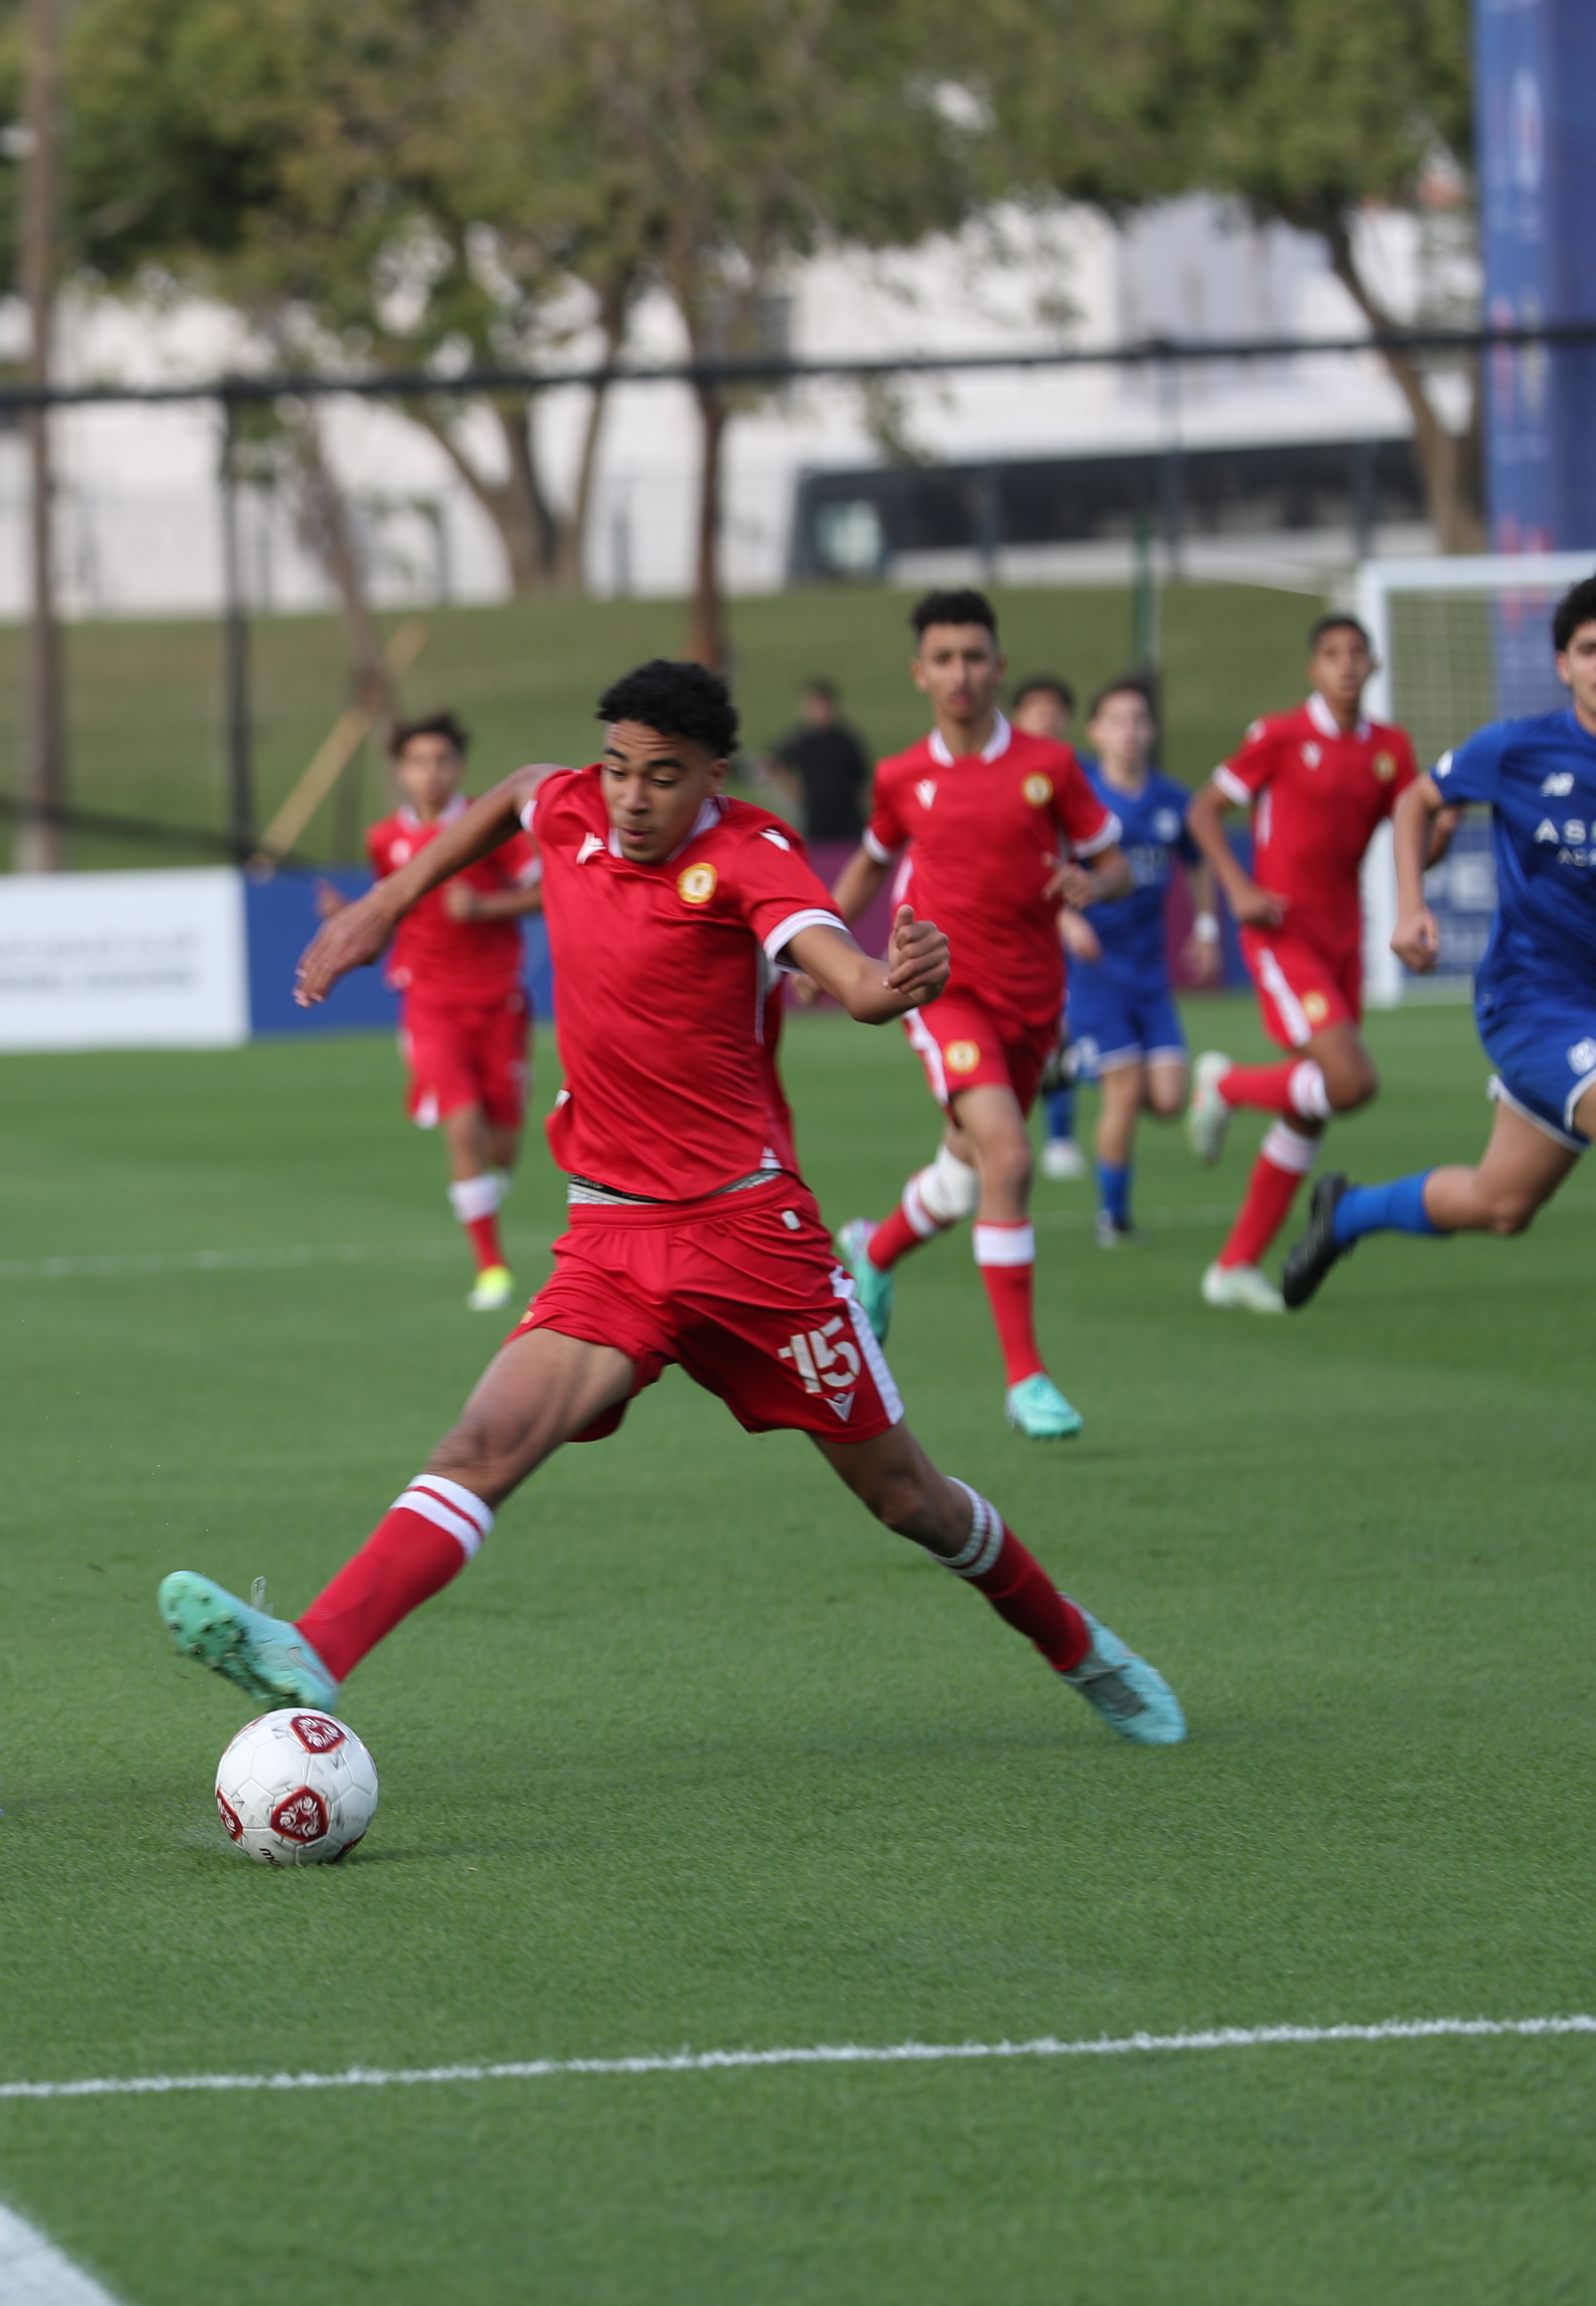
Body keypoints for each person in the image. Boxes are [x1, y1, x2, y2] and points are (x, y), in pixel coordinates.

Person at [154, 660, 1182, 1747]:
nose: (631, 798)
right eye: (618, 768)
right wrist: (382, 906)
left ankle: (1077, 1644)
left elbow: (847, 975)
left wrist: (897, 980)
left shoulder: (749, 854)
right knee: (485, 1440)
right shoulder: (570, 810)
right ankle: (312, 1646)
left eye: (662, 776)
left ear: (713, 779)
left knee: (908, 1499)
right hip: (612, 1236)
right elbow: (515, 790)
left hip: (752, 1245)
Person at [828, 591, 1130, 1441]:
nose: (960, 673)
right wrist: (817, 949)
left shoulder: (1051, 765)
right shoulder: (901, 777)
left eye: (973, 656)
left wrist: (1093, 882)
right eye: (944, 658)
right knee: (1009, 1154)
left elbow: (1115, 866)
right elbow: (869, 863)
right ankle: (1026, 1378)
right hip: (943, 991)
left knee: (967, 1170)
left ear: (998, 664)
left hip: (1035, 1004)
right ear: (919, 673)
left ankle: (875, 1250)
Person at [1284, 572, 1596, 1305]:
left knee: (1501, 1204)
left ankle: (1346, 1213)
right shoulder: (1518, 750)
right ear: (1564, 666)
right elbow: (1417, 798)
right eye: (1590, 650)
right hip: (1535, 1002)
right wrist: (1409, 905)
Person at [1185, 618, 1423, 1312]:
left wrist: (1440, 824)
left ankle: (1234, 1266)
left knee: (1313, 1109)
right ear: (1313, 670)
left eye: (1357, 655)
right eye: (1332, 655)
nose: (1346, 666)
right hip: (1282, 933)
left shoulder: (1390, 748)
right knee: (1351, 1082)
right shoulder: (1281, 735)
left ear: (1373, 666)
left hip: (1345, 940)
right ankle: (1226, 1085)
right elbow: (1204, 812)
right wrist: (1238, 889)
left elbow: (1414, 834)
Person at [341, 709, 544, 1309]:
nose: (430, 773)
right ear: (400, 771)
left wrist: (487, 908)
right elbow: (393, 904)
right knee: (463, 1124)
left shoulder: (491, 824)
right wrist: (349, 920)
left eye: (441, 760)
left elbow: (548, 891)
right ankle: (492, 1268)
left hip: (500, 1001)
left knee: (503, 1138)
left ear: (460, 766)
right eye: (417, 762)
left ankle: (485, 1190)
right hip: (429, 1002)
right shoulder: (384, 839)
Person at [1059, 677, 1218, 1244]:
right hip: (1096, 973)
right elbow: (1039, 865)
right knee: (1124, 1094)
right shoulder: (1079, 799)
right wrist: (1067, 921)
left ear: (1151, 730)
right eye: (1117, 721)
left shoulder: (1174, 800)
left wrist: (1206, 927)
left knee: (1169, 1100)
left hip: (1151, 976)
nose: (1129, 731)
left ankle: (1074, 1064)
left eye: (1139, 720)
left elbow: (1199, 861)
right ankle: (1114, 1219)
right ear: (1095, 732)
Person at [1011, 674, 1092, 1181]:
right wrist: (1065, 917)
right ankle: (1054, 1138)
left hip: (1090, 918)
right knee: (1050, 1034)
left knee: (1068, 1034)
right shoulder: (1004, 778)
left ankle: (1059, 1138)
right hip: (1032, 924)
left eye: (1056, 708)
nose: (1047, 717)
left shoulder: (1077, 774)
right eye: (1036, 708)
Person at [766, 679, 872, 858]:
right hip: (817, 820)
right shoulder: (802, 740)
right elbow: (774, 763)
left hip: (848, 820)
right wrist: (795, 788)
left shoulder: (847, 741)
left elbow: (862, 780)